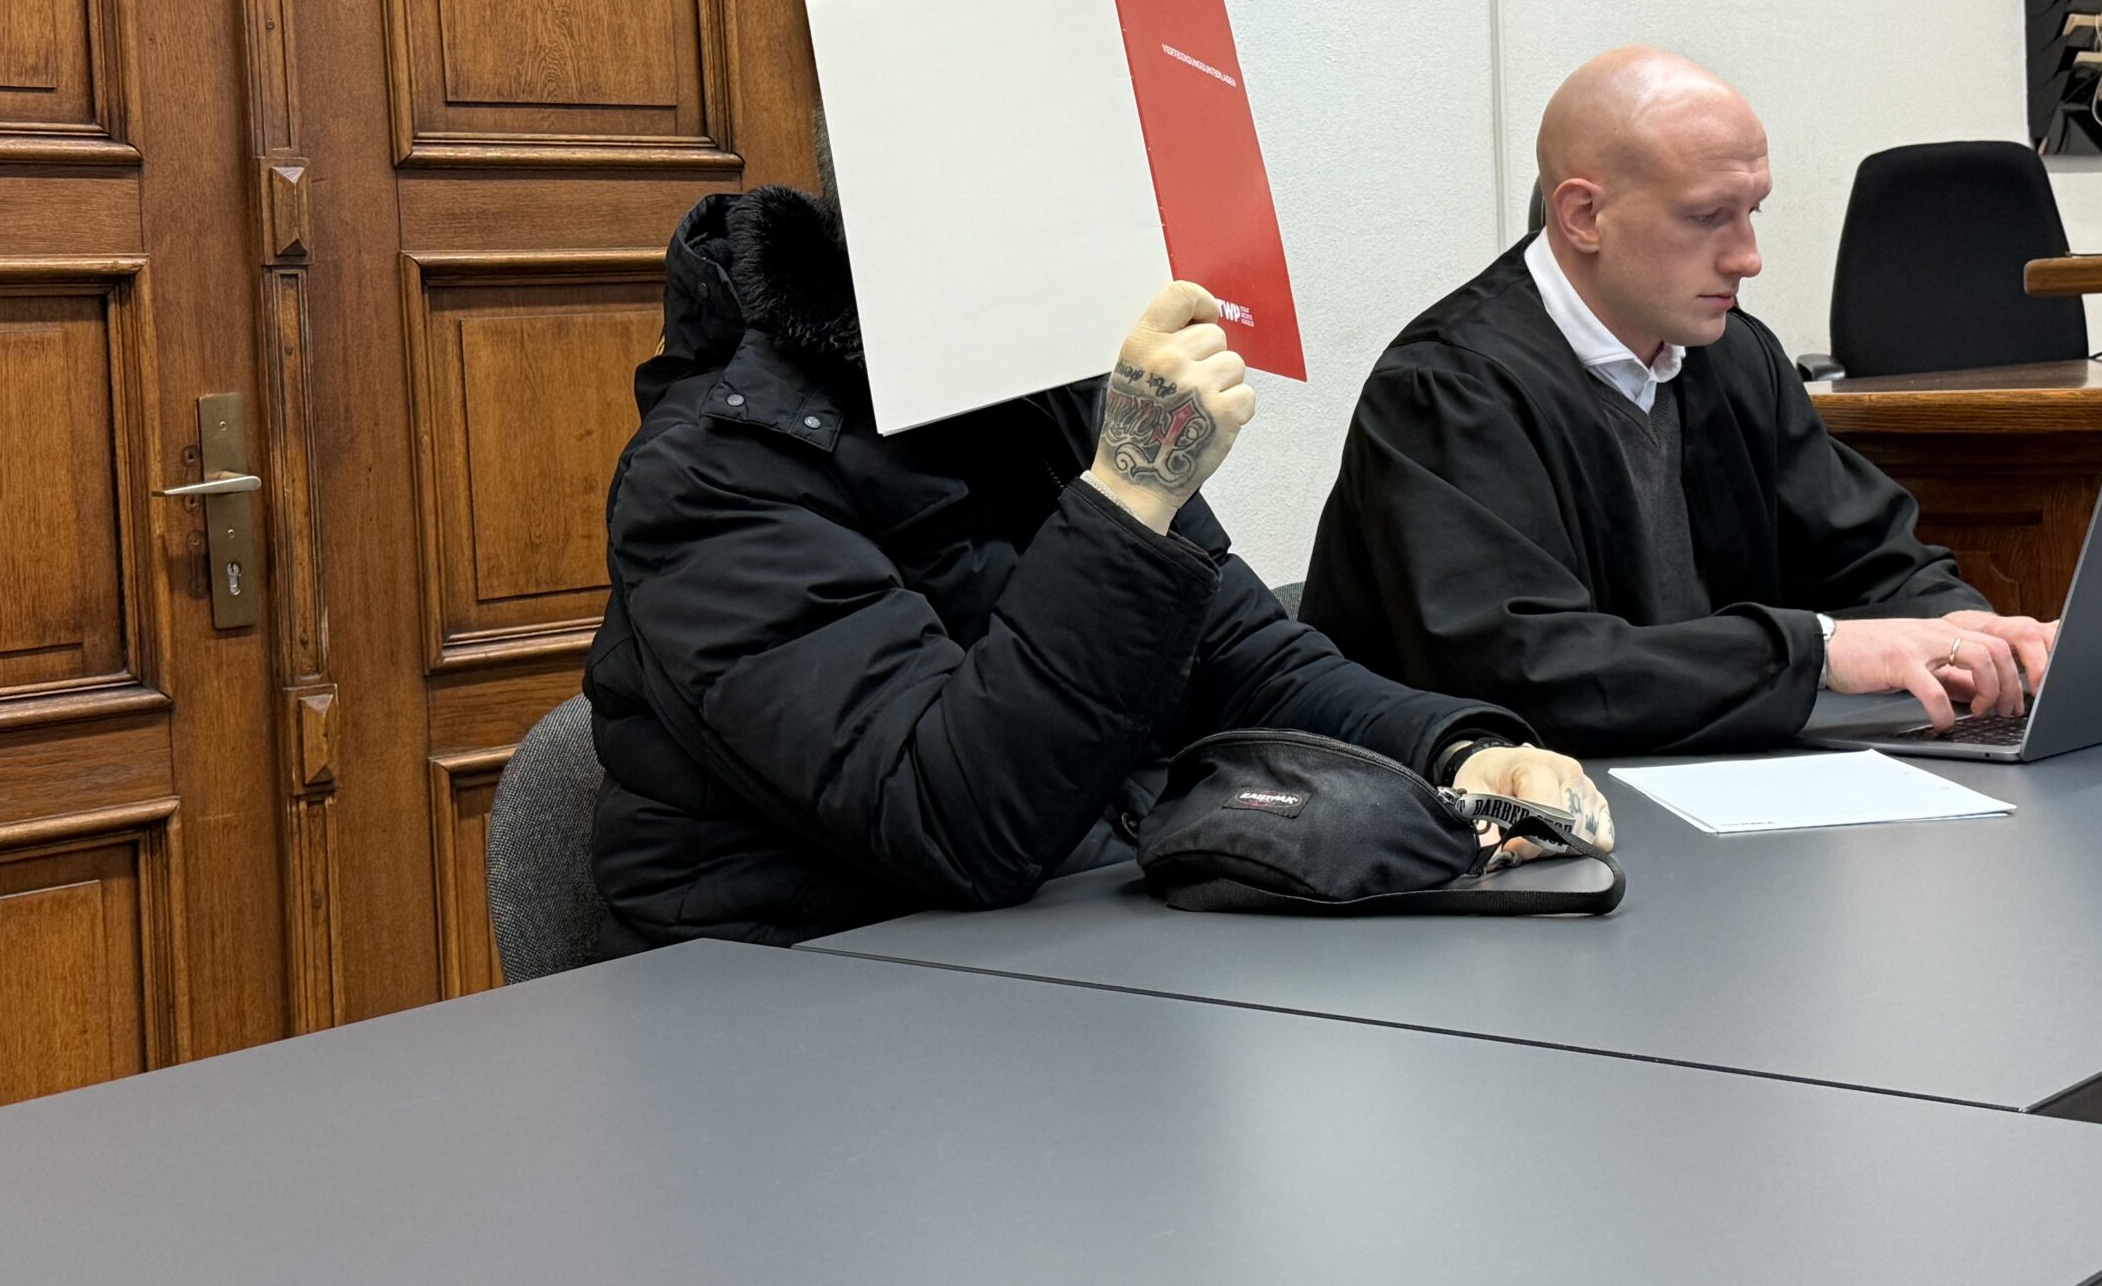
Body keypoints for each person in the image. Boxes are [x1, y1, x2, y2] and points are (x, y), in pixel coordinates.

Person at [585, 182, 1613, 951]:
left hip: (1060, 954)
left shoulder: (1033, 399)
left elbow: (1248, 658)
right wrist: (1128, 491)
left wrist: (1456, 753)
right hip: (805, 1011)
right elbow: (957, 820)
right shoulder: (714, 472)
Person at [1301, 46, 2057, 756]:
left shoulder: (1735, 355)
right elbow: (1525, 672)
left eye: (1753, 210)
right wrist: (1820, 652)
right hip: (1493, 813)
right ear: (1583, 216)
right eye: (1705, 217)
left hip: (1703, 776)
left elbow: (1870, 558)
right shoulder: (1449, 390)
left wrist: (1964, 629)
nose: (1748, 257)